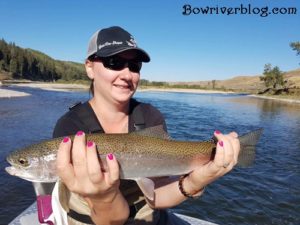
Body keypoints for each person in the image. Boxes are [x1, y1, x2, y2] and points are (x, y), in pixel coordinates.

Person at [51, 26, 240, 225]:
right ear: (89, 67)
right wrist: (104, 197)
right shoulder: (70, 127)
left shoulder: (150, 116)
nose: (127, 74)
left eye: (134, 65)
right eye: (114, 62)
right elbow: (114, 220)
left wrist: (198, 179)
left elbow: (156, 195)